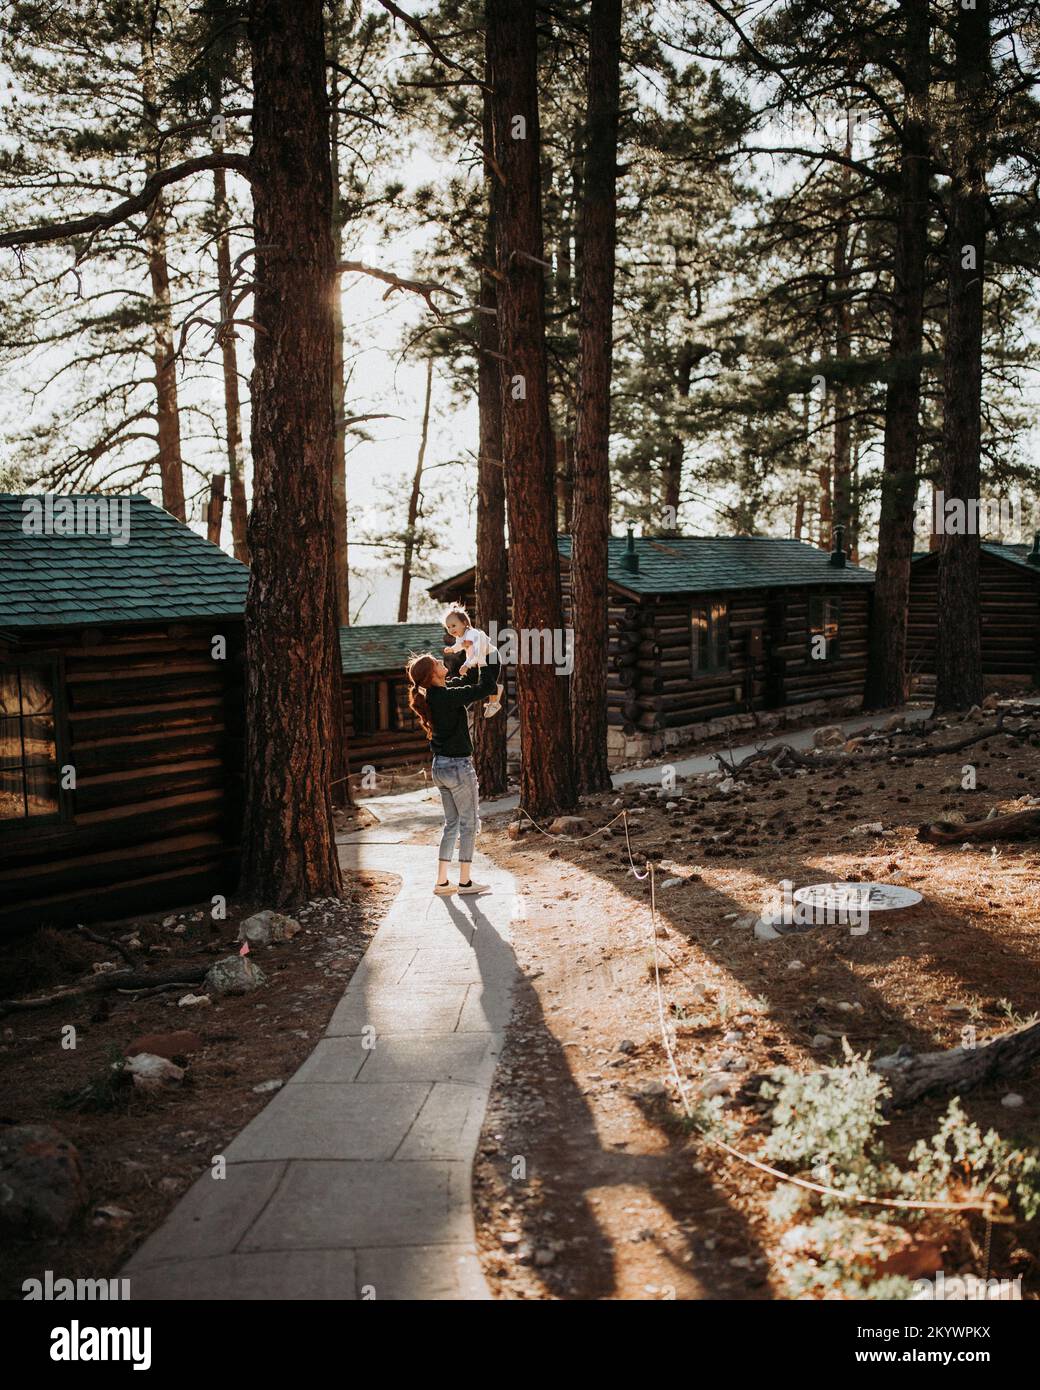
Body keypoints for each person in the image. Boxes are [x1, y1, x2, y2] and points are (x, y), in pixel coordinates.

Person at [406, 646, 501, 895]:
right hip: (458, 768)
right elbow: (482, 689)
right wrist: (489, 659)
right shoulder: (444, 697)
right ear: (432, 675)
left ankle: (441, 882)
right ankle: (466, 882)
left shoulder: (438, 695)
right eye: (436, 662)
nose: (440, 660)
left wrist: (472, 662)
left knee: (452, 824)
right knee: (469, 824)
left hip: (440, 767)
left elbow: (467, 684)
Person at [442, 605, 504, 718]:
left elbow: (477, 652)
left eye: (453, 625)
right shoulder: (461, 635)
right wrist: (452, 649)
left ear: (464, 623)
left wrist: (466, 665)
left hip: (491, 657)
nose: (451, 630)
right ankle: (496, 688)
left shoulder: (472, 634)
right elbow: (460, 645)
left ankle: (494, 703)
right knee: (472, 680)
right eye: (448, 627)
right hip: (478, 660)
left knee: (487, 683)